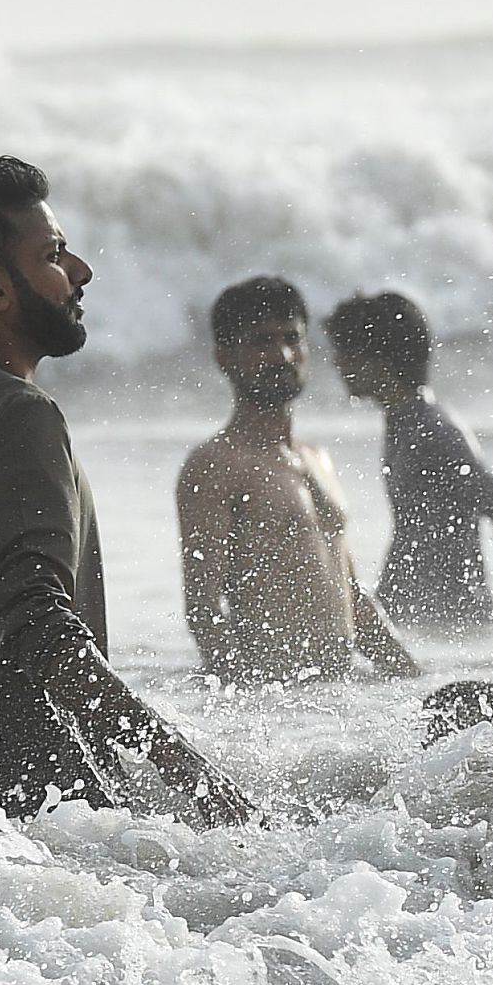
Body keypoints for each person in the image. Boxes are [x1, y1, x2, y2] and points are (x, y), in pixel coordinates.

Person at [0, 158, 251, 825]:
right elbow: (36, 625)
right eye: (54, 255)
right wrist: (190, 772)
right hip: (62, 824)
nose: (81, 272)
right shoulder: (18, 414)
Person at [177, 278, 422, 686]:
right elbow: (203, 610)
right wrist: (251, 705)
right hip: (277, 708)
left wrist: (411, 677)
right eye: (261, 341)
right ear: (224, 357)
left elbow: (354, 600)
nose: (282, 355)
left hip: (336, 702)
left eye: (293, 338)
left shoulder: (318, 459)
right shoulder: (215, 465)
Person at [323, 290, 493, 630]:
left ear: (378, 358)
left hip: (450, 630)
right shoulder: (405, 423)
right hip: (424, 625)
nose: (336, 362)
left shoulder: (432, 433)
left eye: (345, 351)